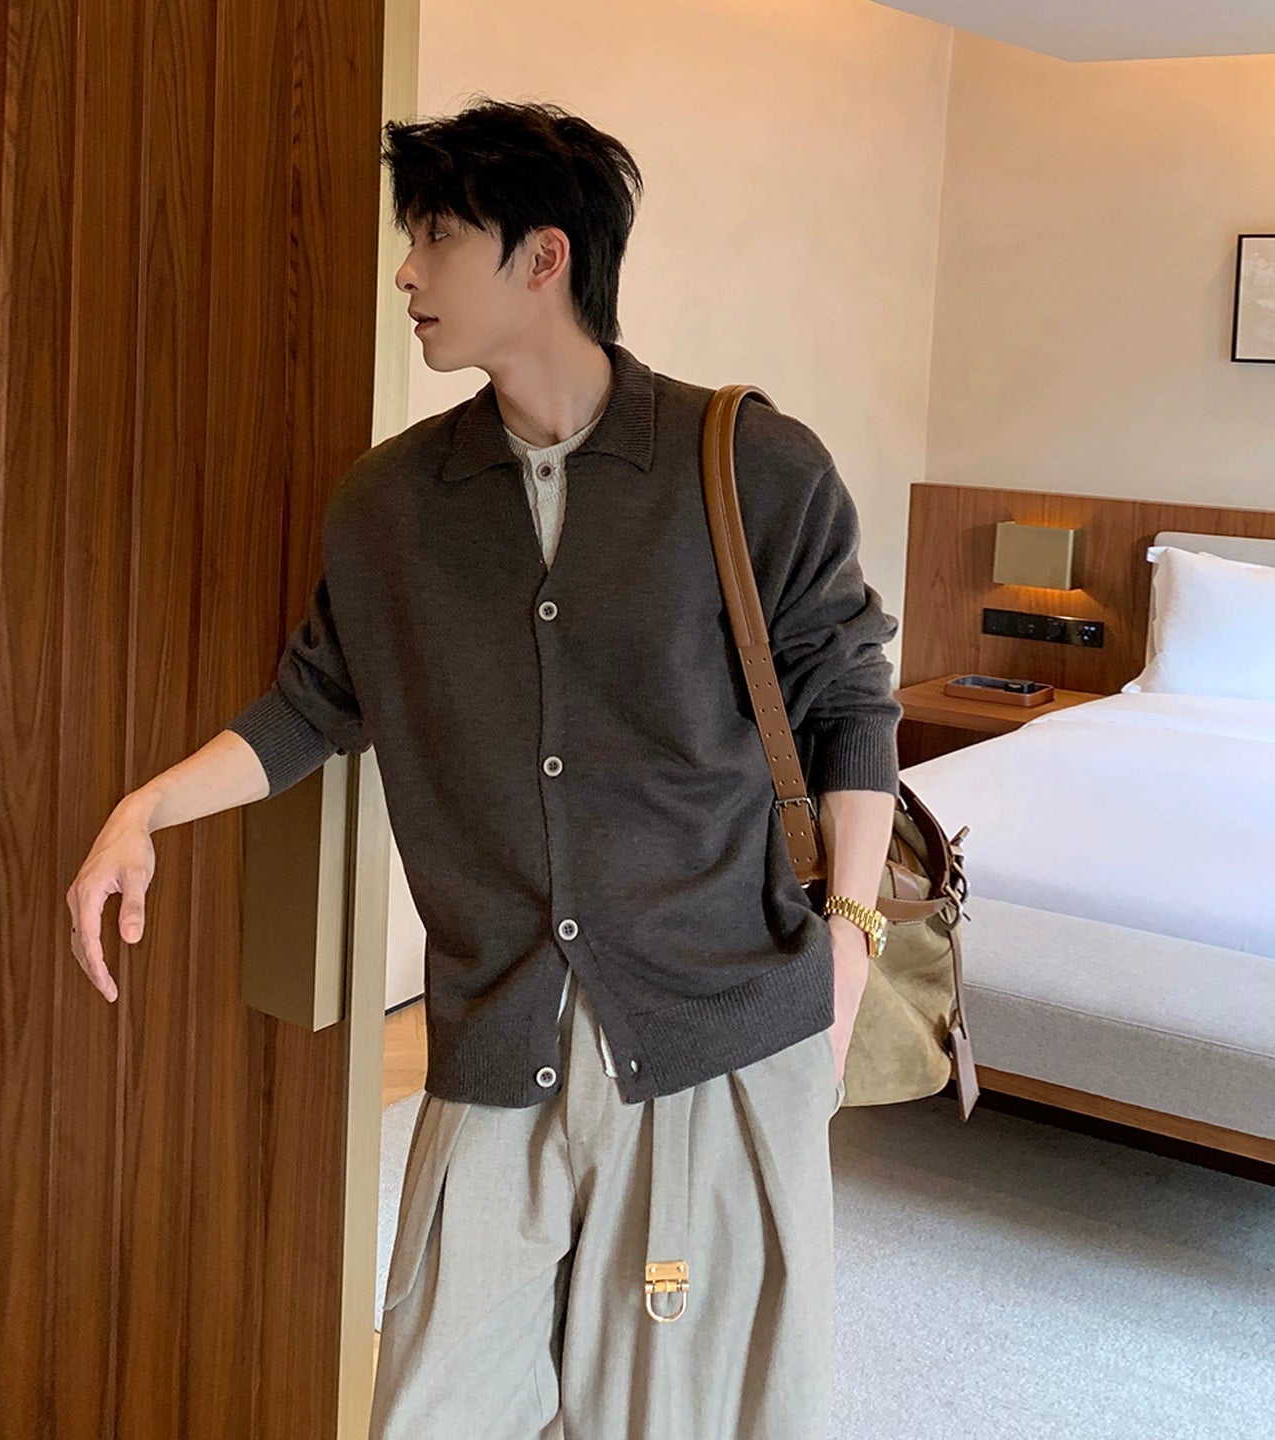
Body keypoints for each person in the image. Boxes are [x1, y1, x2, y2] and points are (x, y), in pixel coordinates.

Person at [67, 97, 900, 1440]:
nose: (406, 272)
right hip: (500, 1034)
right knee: (436, 1406)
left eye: (436, 236)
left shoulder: (751, 466)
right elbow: (313, 703)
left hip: (713, 1031)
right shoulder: (391, 505)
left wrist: (851, 942)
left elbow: (849, 702)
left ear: (543, 258)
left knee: (679, 1418)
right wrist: (145, 809)